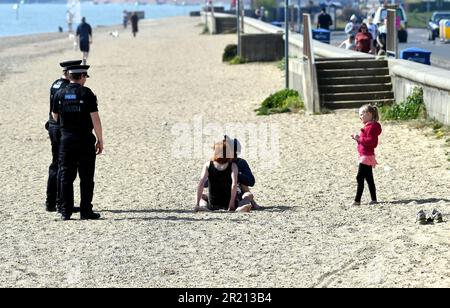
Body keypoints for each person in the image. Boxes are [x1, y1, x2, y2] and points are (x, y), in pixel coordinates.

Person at [51, 65, 104, 220]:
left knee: (66, 176)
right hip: (84, 140)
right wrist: (100, 140)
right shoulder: (87, 93)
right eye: (85, 77)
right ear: (81, 77)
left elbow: (55, 116)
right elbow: (95, 119)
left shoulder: (60, 93)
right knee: (86, 177)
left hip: (66, 140)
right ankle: (86, 210)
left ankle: (65, 211)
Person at [45, 60, 82, 213]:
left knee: (55, 165)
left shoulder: (55, 83)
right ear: (69, 73)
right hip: (60, 128)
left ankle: (51, 202)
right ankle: (62, 203)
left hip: (53, 125)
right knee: (63, 166)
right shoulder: (66, 87)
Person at [195, 141, 252, 212]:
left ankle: (203, 206)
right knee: (246, 198)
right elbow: (234, 185)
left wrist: (197, 203)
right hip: (227, 203)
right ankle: (239, 208)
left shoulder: (208, 165)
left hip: (213, 203)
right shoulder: (233, 166)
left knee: (202, 197)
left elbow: (201, 183)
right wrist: (231, 204)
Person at [351, 105, 382, 206]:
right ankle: (374, 199)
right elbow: (366, 141)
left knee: (359, 177)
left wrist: (359, 138)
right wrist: (357, 138)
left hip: (367, 156)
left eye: (361, 114)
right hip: (365, 155)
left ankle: (357, 200)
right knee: (369, 178)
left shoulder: (372, 127)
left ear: (369, 114)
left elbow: (372, 142)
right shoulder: (369, 125)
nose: (360, 117)